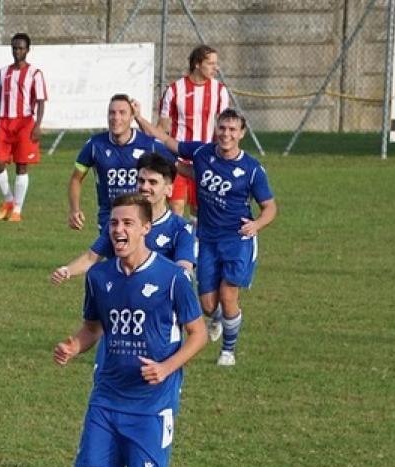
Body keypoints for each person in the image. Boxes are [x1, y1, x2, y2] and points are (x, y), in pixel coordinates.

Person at [53, 195, 207, 467]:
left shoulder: (173, 278)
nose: (118, 230)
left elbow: (199, 334)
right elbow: (93, 328)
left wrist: (167, 367)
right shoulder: (99, 277)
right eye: (113, 223)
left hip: (151, 406)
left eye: (126, 223)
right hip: (105, 400)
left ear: (144, 230)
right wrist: (73, 345)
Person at [135, 106, 276, 367]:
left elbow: (270, 207)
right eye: (222, 128)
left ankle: (228, 351)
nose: (226, 134)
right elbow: (166, 141)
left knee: (228, 292)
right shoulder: (202, 152)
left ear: (242, 133)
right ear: (215, 128)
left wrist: (256, 225)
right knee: (209, 305)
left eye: (232, 129)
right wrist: (139, 118)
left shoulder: (252, 169)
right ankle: (219, 316)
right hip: (207, 237)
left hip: (237, 239)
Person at [52, 152, 195, 284]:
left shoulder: (180, 228)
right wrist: (67, 270)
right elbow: (92, 257)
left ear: (169, 189)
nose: (144, 187)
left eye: (152, 182)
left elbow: (183, 267)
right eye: (141, 180)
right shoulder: (121, 222)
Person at [67, 94, 165, 234]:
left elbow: (173, 171)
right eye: (112, 113)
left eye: (122, 113)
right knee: (113, 255)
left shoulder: (149, 145)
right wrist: (74, 209)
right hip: (109, 219)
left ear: (132, 117)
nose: (116, 118)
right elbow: (76, 179)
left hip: (141, 218)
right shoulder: (95, 145)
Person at [160, 46, 232, 219]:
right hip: (177, 160)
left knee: (199, 212)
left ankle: (197, 246)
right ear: (198, 64)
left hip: (205, 161)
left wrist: (224, 157)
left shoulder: (219, 91)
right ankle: (177, 245)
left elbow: (224, 127)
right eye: (211, 63)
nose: (216, 68)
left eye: (216, 63)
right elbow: (162, 126)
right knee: (176, 207)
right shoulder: (174, 90)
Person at [0, 33, 47, 223]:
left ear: (27, 50)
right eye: (14, 48)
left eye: (21, 48)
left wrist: (38, 125)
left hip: (24, 122)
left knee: (21, 165)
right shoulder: (2, 72)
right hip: (4, 122)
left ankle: (17, 210)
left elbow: (41, 100)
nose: (17, 51)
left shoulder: (35, 73)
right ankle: (8, 201)